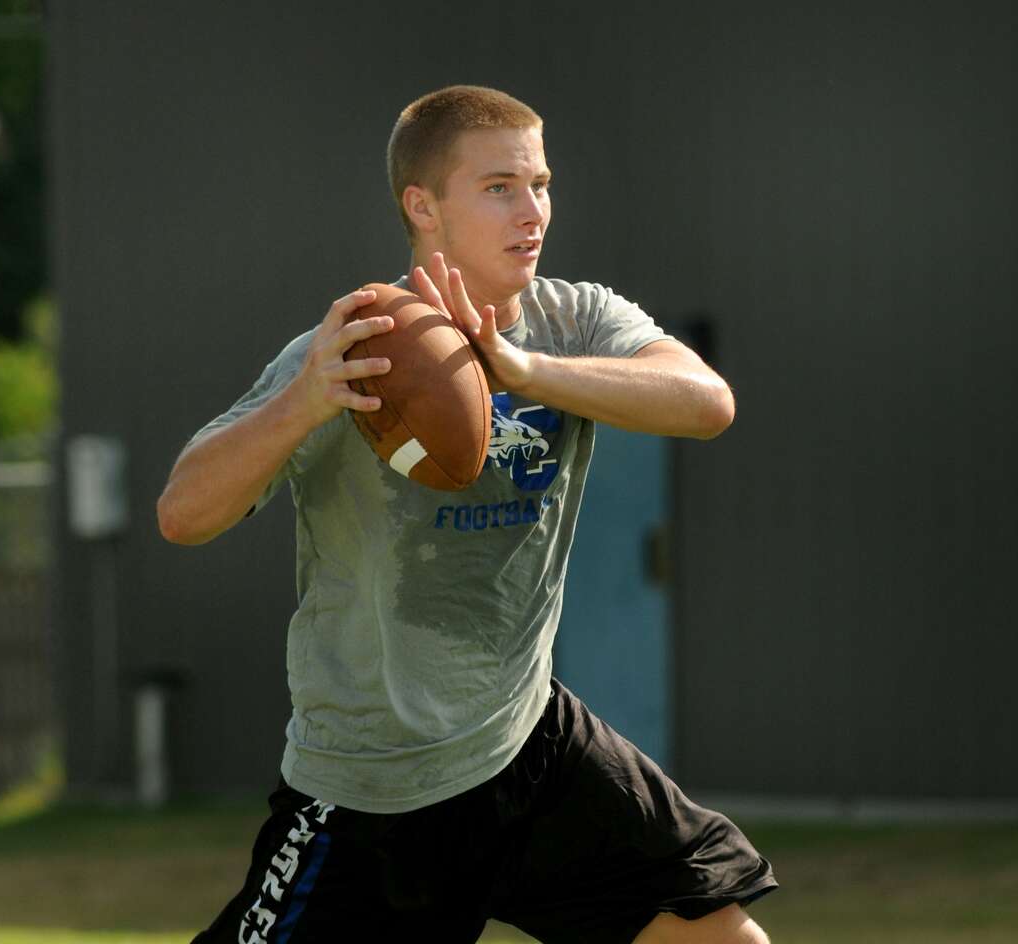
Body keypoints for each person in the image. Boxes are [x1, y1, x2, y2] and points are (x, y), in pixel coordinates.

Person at [158, 85, 777, 944]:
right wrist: (302, 404)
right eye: (499, 188)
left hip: (526, 746)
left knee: (720, 937)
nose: (534, 211)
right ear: (424, 206)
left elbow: (707, 402)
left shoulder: (576, 319)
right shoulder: (354, 352)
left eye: (542, 183)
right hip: (374, 789)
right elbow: (182, 513)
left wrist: (519, 369)